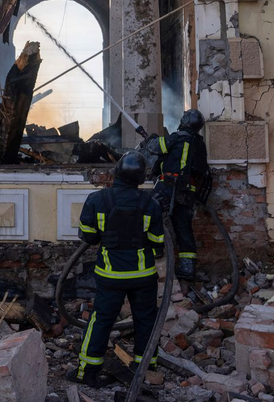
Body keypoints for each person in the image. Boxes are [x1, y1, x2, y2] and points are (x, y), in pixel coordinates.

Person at [68, 151, 166, 387]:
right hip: (143, 275)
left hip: (109, 275)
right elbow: (158, 242)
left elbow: (88, 236)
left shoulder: (96, 200)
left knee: (100, 320)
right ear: (142, 177)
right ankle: (145, 367)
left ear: (117, 172)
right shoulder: (150, 204)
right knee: (146, 320)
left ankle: (87, 371)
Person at [151, 109, 210, 280]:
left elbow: (155, 148)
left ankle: (156, 252)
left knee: (149, 213)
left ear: (185, 121)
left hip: (169, 187)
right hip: (188, 192)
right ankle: (187, 269)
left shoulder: (179, 137)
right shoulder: (199, 143)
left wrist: (151, 139)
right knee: (183, 228)